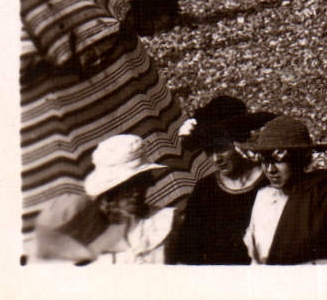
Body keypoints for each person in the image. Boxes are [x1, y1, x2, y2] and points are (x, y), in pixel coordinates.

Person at [240, 115, 327, 264]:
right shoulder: (263, 197)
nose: (270, 170)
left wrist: (310, 268)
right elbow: (254, 258)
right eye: (265, 161)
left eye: (279, 160)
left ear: (300, 159)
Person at [172, 97, 277, 265]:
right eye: (209, 150)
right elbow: (188, 251)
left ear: (239, 143)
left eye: (221, 148)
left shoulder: (271, 181)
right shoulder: (205, 190)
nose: (215, 159)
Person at [81, 135, 178, 264]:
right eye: (127, 186)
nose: (136, 192)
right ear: (111, 190)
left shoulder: (167, 222)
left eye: (141, 182)